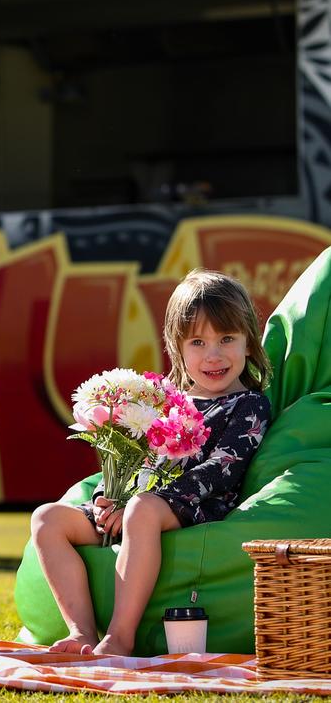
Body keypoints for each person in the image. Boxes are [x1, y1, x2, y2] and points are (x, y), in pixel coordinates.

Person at [31, 268, 272, 656]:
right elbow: (142, 459)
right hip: (138, 505)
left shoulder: (248, 404)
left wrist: (133, 505)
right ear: (178, 349)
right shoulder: (167, 401)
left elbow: (223, 467)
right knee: (47, 518)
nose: (213, 355)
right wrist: (109, 499)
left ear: (248, 343)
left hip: (197, 506)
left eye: (227, 338)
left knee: (142, 509)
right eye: (198, 341)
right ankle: (82, 632)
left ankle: (120, 636)